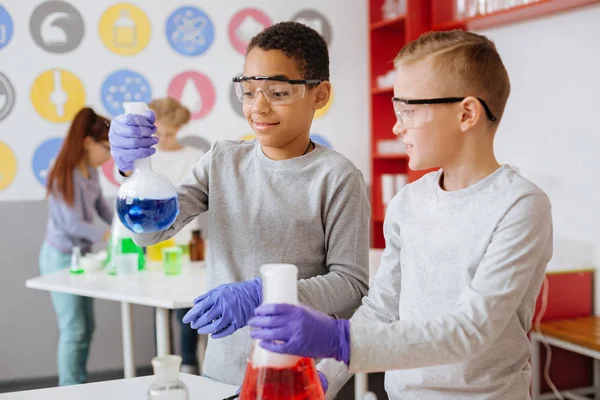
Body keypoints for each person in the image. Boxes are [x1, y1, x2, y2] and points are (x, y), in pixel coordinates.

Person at [247, 30, 554, 399]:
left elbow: (471, 330)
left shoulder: (520, 206)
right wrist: (323, 378)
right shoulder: (409, 202)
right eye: (397, 109)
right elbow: (382, 308)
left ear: (467, 113)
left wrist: (337, 338)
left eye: (409, 110)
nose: (397, 125)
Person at [108, 21, 371, 386]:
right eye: (248, 92)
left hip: (298, 376)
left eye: (278, 92)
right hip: (221, 375)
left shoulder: (337, 177)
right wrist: (131, 172)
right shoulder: (221, 161)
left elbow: (350, 285)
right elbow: (150, 233)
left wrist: (268, 294)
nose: (258, 107)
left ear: (320, 94)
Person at [40, 107, 113, 386]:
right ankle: (69, 389)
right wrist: (109, 235)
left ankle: (78, 385)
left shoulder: (91, 173)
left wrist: (124, 226)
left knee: (86, 328)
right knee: (74, 329)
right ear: (87, 143)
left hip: (81, 258)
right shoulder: (63, 174)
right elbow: (72, 225)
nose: (109, 156)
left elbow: (103, 208)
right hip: (59, 259)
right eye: (105, 148)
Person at [148, 97, 205, 374]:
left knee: (186, 307)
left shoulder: (193, 157)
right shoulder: (146, 159)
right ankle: (163, 367)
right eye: (159, 133)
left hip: (185, 243)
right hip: (153, 245)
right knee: (157, 306)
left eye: (170, 134)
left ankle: (189, 365)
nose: (165, 140)